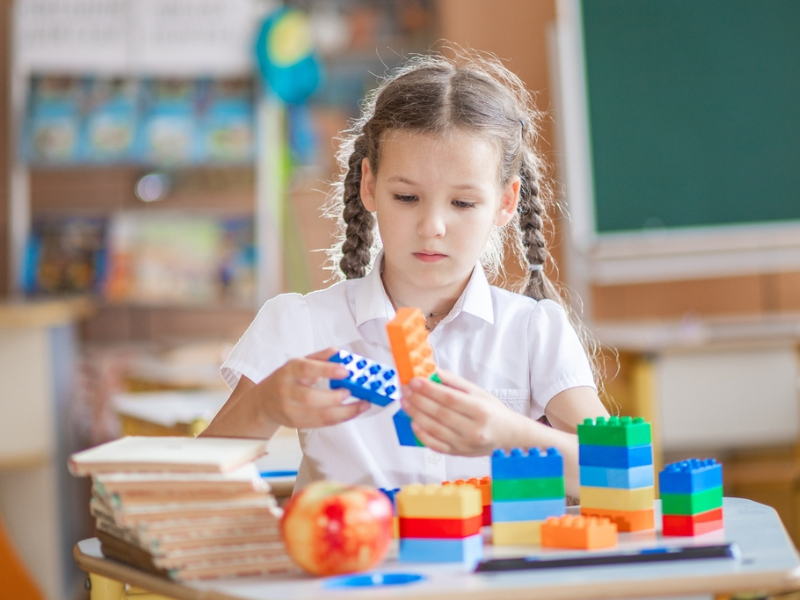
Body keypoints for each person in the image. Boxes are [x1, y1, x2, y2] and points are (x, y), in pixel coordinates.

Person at [203, 49, 609, 497]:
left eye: (462, 203)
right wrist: (264, 405)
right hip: (348, 563)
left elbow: (614, 470)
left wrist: (510, 433)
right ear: (370, 186)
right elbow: (193, 482)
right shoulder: (303, 324)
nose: (432, 227)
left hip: (491, 566)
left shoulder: (533, 330)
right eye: (407, 197)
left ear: (505, 202)